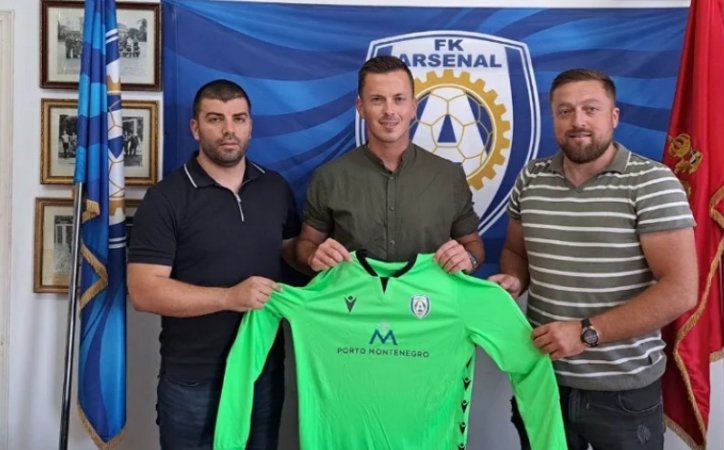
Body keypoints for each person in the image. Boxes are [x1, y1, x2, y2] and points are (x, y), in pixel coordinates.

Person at [489, 68, 698, 450]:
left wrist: (587, 332)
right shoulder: (531, 178)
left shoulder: (652, 182)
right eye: (565, 111)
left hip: (623, 393)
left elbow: (680, 290)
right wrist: (515, 280)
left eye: (591, 109)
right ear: (553, 118)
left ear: (613, 116)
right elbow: (516, 252)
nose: (578, 121)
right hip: (544, 379)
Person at [127, 79, 299, 450]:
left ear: (250, 126)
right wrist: (228, 297)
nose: (228, 130)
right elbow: (144, 291)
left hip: (261, 373)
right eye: (215, 119)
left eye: (238, 118)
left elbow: (288, 250)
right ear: (195, 128)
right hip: (194, 380)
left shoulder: (275, 188)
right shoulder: (165, 199)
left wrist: (317, 254)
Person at [296, 55, 484, 272]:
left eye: (399, 99)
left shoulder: (449, 176)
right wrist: (312, 256)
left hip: (429, 294)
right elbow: (306, 244)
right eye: (377, 99)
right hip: (354, 294)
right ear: (360, 107)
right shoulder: (329, 177)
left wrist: (468, 259)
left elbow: (473, 245)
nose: (389, 111)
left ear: (413, 107)